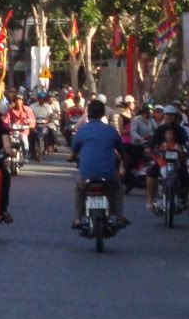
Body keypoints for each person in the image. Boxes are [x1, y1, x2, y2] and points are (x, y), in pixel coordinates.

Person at [69, 99, 126, 228]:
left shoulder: (82, 131)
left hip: (86, 175)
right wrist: (123, 158)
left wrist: (71, 158)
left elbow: (74, 152)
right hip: (108, 174)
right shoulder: (111, 131)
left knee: (79, 189)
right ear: (103, 114)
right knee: (118, 188)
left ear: (88, 113)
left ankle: (77, 219)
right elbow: (122, 152)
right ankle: (119, 216)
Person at [145, 104, 189, 214]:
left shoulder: (180, 130)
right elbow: (152, 142)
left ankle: (184, 200)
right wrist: (149, 149)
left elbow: (187, 142)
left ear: (175, 117)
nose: (169, 117)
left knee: (186, 179)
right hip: (162, 159)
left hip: (177, 160)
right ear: (164, 116)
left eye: (172, 115)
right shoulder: (160, 129)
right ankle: (150, 198)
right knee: (151, 172)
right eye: (167, 115)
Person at [29, 91, 57, 159]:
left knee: (52, 132)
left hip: (45, 124)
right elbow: (29, 114)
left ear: (45, 99)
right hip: (35, 124)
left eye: (43, 98)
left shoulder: (48, 107)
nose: (42, 100)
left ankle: (49, 146)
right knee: (30, 134)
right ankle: (31, 150)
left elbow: (51, 115)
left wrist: (50, 119)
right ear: (38, 99)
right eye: (40, 98)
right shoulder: (32, 106)